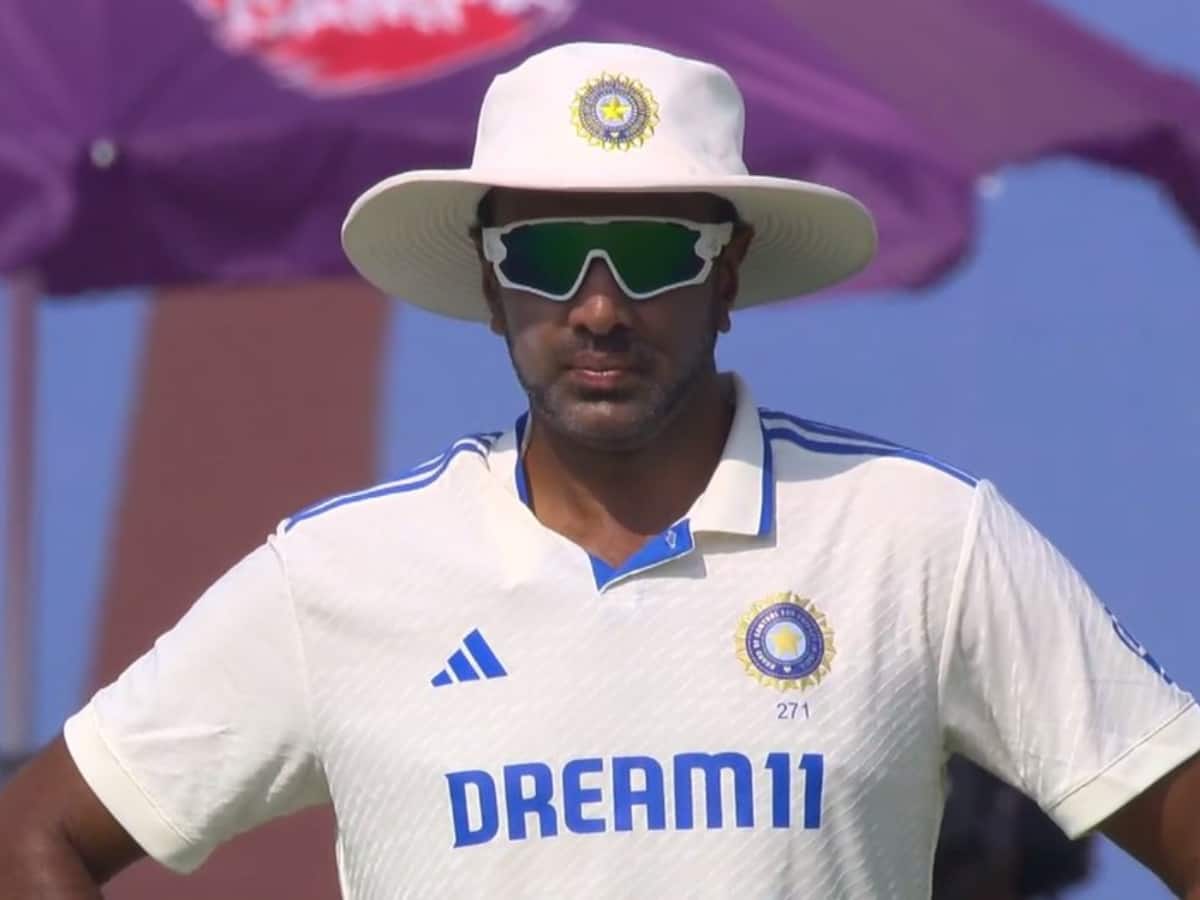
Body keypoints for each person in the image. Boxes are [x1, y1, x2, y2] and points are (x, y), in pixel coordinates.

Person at [1, 40, 1199, 900]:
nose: (598, 307)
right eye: (548, 254)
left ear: (729, 274)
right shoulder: (339, 575)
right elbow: (33, 837)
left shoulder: (921, 538)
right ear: (489, 284)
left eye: (650, 251)